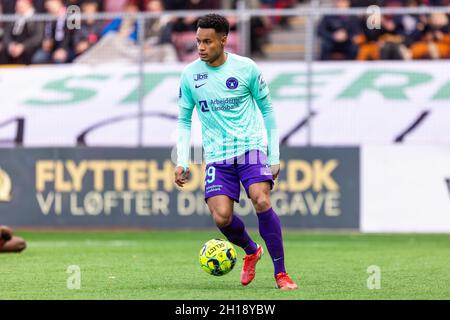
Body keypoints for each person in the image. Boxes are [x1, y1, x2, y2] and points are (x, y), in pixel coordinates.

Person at [174, 14, 298, 290]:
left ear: (223, 39)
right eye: (198, 41)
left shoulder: (246, 68)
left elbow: (267, 110)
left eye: (207, 41)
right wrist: (182, 160)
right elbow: (183, 120)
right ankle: (251, 250)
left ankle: (281, 274)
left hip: (250, 149)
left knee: (261, 200)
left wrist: (274, 155)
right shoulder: (190, 75)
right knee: (222, 217)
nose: (201, 47)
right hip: (218, 156)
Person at [3, 0, 43, 64]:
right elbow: (6, 34)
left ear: (28, 5)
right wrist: (10, 45)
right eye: (18, 6)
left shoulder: (36, 18)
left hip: (28, 47)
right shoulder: (13, 18)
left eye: (21, 6)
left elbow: (37, 37)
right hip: (12, 46)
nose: (18, 7)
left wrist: (23, 46)